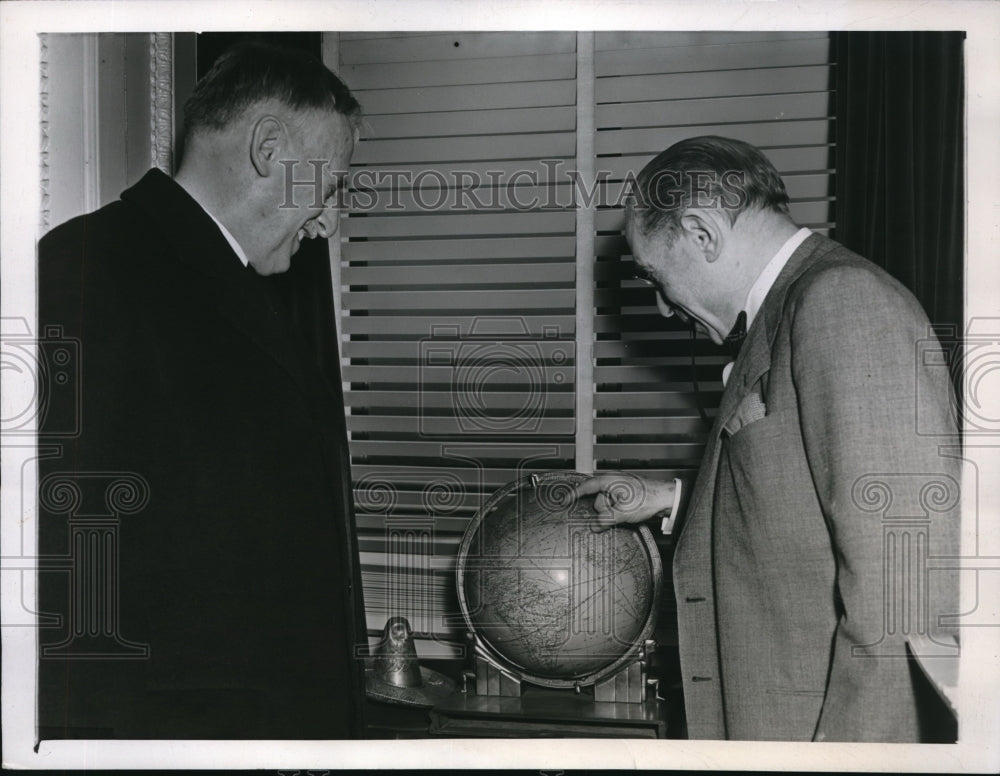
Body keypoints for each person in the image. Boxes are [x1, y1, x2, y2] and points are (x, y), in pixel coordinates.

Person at [572, 136, 960, 742]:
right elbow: (805, 503)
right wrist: (672, 498)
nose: (664, 307)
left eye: (654, 275)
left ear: (702, 233)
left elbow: (904, 589)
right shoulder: (790, 309)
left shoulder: (842, 301)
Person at [37, 42, 366, 739]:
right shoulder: (82, 271)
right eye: (331, 185)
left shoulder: (237, 286)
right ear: (269, 149)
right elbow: (69, 574)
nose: (329, 220)